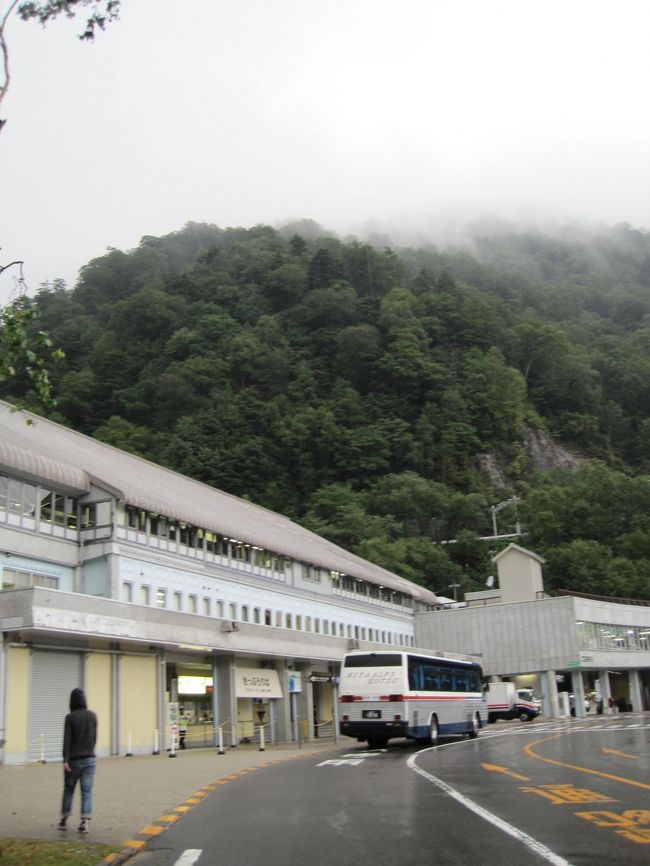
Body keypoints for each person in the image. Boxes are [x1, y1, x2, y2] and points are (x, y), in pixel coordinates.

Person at [58, 687, 97, 835]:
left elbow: (66, 740)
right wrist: (90, 752)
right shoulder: (93, 716)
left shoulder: (70, 717)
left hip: (73, 760)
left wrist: (65, 759)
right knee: (86, 791)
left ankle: (64, 819)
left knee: (68, 790)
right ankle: (85, 822)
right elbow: (94, 737)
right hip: (89, 759)